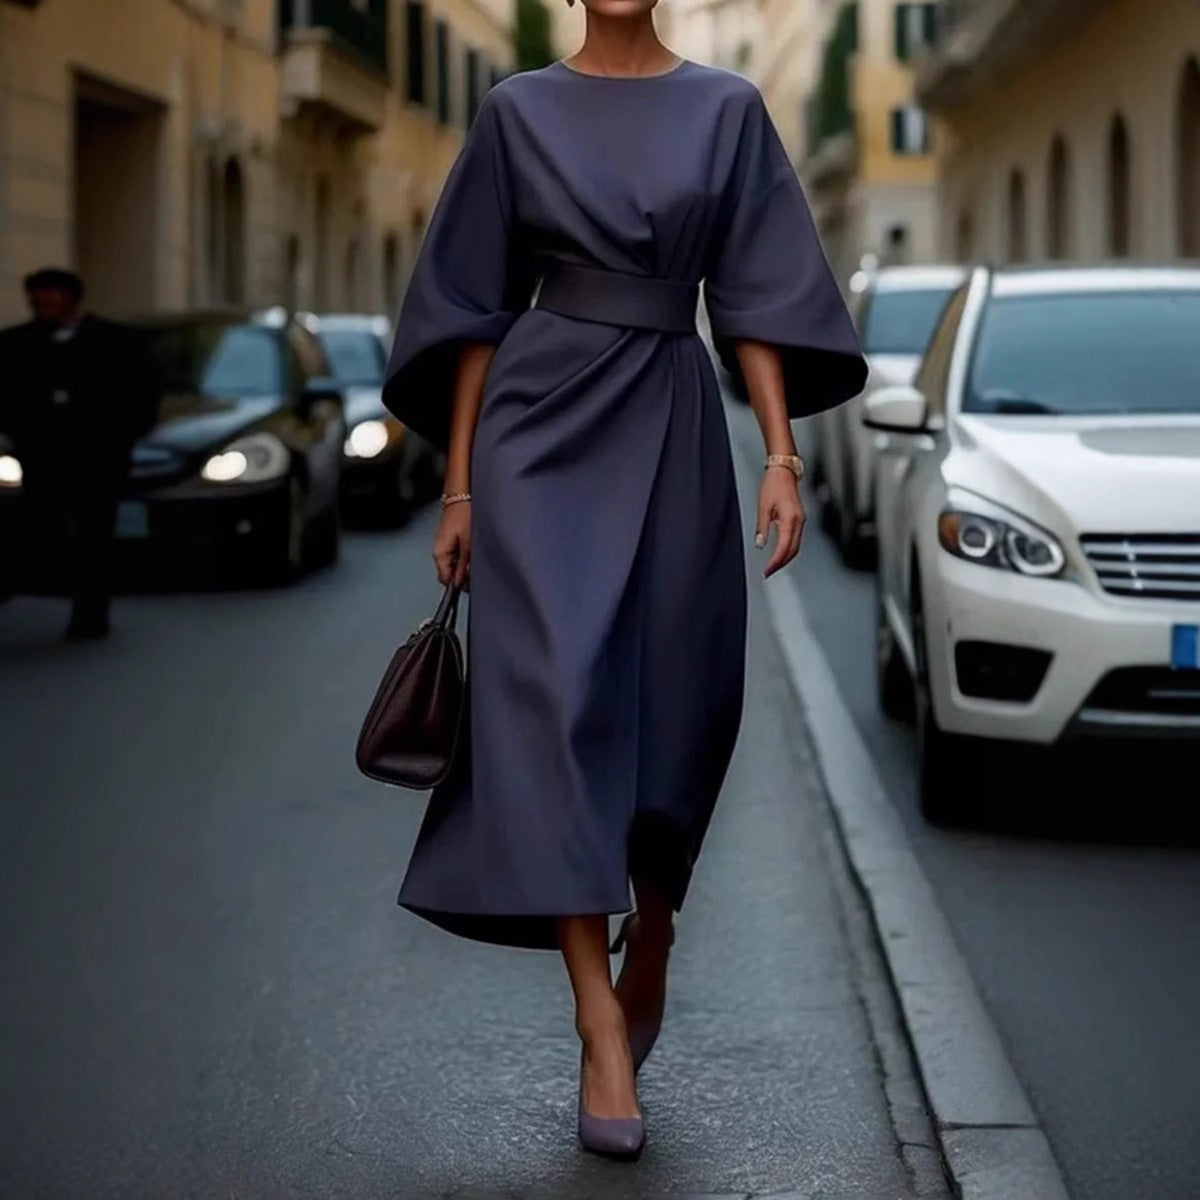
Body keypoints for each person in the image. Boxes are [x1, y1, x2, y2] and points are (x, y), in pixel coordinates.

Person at [382, 0, 867, 1161]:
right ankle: (596, 1019)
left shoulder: (728, 109)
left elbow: (755, 293)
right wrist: (460, 487)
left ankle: (652, 928)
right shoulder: (514, 111)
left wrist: (783, 457)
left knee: (678, 701)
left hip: (672, 417)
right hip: (536, 433)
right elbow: (474, 312)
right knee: (550, 708)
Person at [0, 268, 160, 640]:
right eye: (36, 302)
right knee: (44, 527)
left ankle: (90, 613)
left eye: (49, 301)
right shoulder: (15, 344)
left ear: (71, 300)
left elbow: (143, 393)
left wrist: (122, 436)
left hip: (97, 460)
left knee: (94, 534)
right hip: (40, 459)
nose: (41, 308)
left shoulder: (117, 343)